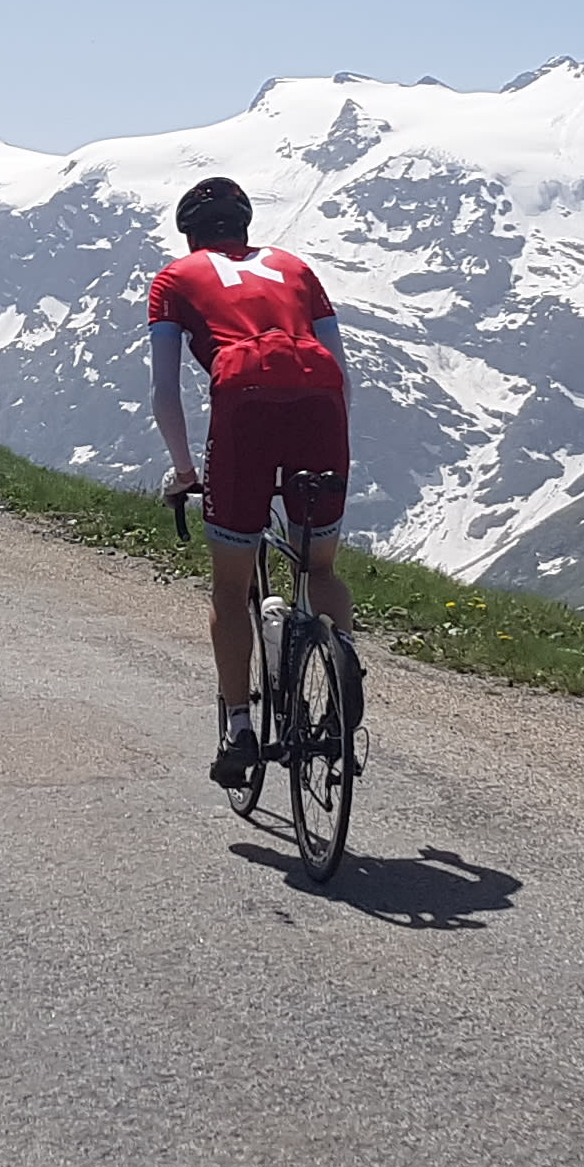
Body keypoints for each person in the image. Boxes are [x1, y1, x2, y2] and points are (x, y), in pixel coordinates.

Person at [147, 174, 354, 787]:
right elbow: (341, 372)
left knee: (230, 588)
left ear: (190, 237)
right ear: (246, 227)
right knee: (319, 569)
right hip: (321, 407)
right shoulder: (294, 266)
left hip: (244, 406)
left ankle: (239, 727)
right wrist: (339, 440)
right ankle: (343, 669)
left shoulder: (175, 280)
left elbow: (164, 394)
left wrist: (186, 473)